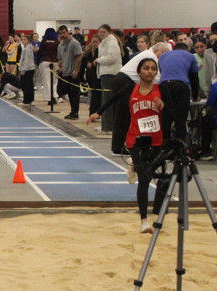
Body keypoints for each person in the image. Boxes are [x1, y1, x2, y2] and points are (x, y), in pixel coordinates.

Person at [88, 58, 166, 234]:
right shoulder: (132, 88)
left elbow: (171, 112)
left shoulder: (161, 90)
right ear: (139, 72)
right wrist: (97, 113)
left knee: (156, 175)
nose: (150, 71)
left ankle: (134, 166)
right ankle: (144, 221)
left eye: (153, 69)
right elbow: (114, 97)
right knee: (144, 179)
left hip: (155, 139)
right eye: (146, 68)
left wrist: (163, 106)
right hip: (135, 139)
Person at [157, 42, 200, 144]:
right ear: (187, 50)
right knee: (180, 120)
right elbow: (194, 79)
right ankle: (179, 147)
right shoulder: (190, 56)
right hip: (181, 86)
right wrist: (195, 97)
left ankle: (165, 147)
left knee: (166, 119)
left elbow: (163, 72)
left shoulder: (163, 56)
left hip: (163, 86)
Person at [56, 25, 83, 120]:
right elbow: (60, 59)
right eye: (60, 33)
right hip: (65, 73)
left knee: (74, 94)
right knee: (69, 94)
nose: (62, 35)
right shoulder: (60, 45)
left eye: (64, 32)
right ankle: (72, 111)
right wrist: (59, 67)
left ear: (68, 32)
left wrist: (76, 70)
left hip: (73, 73)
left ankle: (75, 112)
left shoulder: (74, 43)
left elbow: (79, 57)